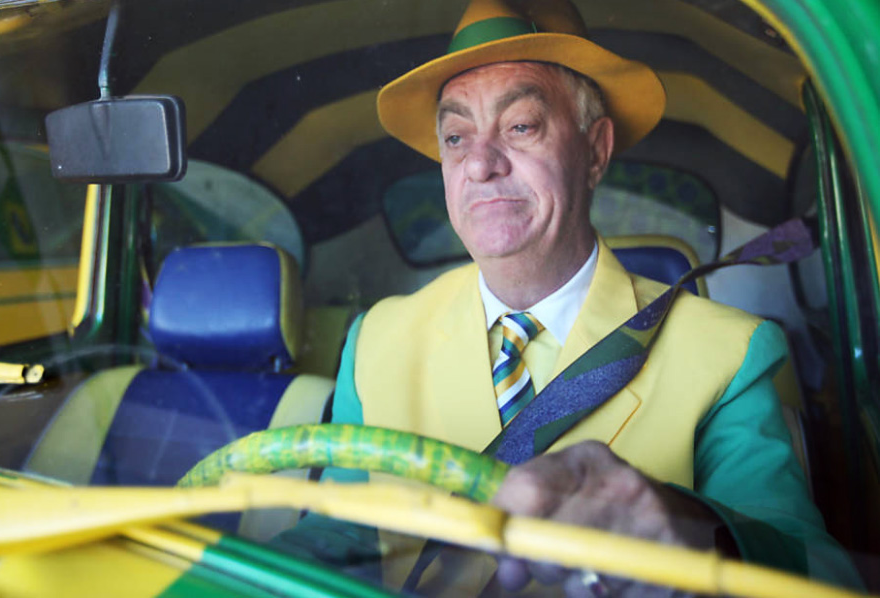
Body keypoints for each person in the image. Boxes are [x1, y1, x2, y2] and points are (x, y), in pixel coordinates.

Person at [317, 0, 861, 593]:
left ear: (595, 151)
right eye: (455, 137)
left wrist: (695, 531)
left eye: (520, 126)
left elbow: (826, 579)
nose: (479, 165)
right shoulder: (375, 341)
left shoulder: (728, 355)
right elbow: (335, 538)